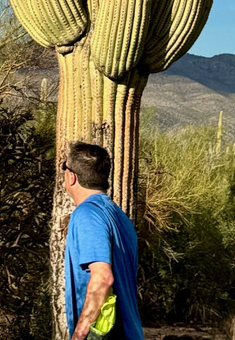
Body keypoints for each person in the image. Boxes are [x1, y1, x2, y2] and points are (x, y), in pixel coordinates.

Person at [63, 142, 144, 340]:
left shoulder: (87, 214)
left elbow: (102, 278)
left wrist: (78, 335)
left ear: (72, 177)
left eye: (64, 167)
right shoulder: (120, 217)